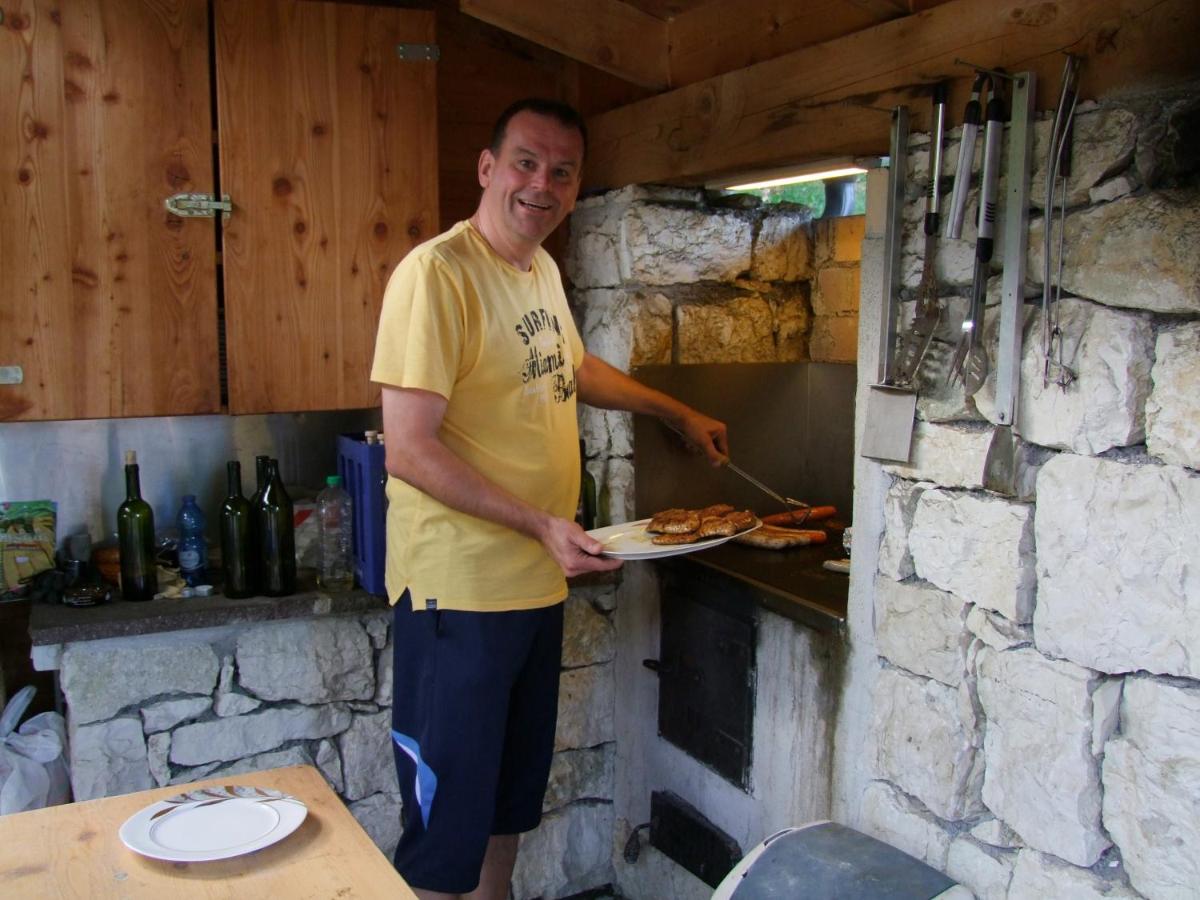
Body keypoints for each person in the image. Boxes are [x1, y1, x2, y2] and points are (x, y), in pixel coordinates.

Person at [370, 97, 727, 900]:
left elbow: (574, 367)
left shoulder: (540, 270)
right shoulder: (436, 276)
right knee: (444, 833)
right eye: (526, 163)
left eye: (562, 172)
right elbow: (409, 448)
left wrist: (676, 412)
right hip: (456, 599)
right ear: (487, 167)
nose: (543, 184)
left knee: (506, 810)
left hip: (533, 589)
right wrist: (540, 522)